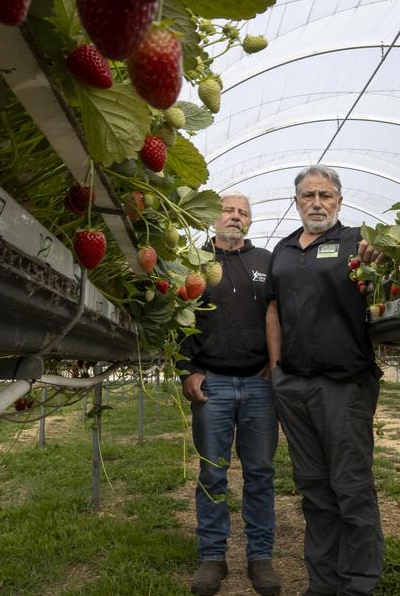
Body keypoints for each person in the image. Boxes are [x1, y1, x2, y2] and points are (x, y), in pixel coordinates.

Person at [265, 165, 384, 596]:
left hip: (344, 382)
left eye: (325, 195)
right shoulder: (281, 250)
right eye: (308, 195)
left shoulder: (356, 241)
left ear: (339, 200)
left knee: (351, 486)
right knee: (314, 487)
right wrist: (278, 371)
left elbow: (381, 282)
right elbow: (273, 310)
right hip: (293, 384)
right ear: (296, 202)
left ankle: (358, 584)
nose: (317, 203)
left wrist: (380, 261)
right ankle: (322, 581)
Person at [178, 192, 280, 596]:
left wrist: (276, 361)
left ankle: (260, 557)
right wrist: (187, 370)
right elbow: (178, 317)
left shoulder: (267, 262)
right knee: (212, 473)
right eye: (228, 210)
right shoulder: (193, 263)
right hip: (212, 382)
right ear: (213, 217)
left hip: (259, 384)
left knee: (260, 473)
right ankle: (212, 557)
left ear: (250, 222)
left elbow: (281, 313)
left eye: (243, 212)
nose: (235, 217)